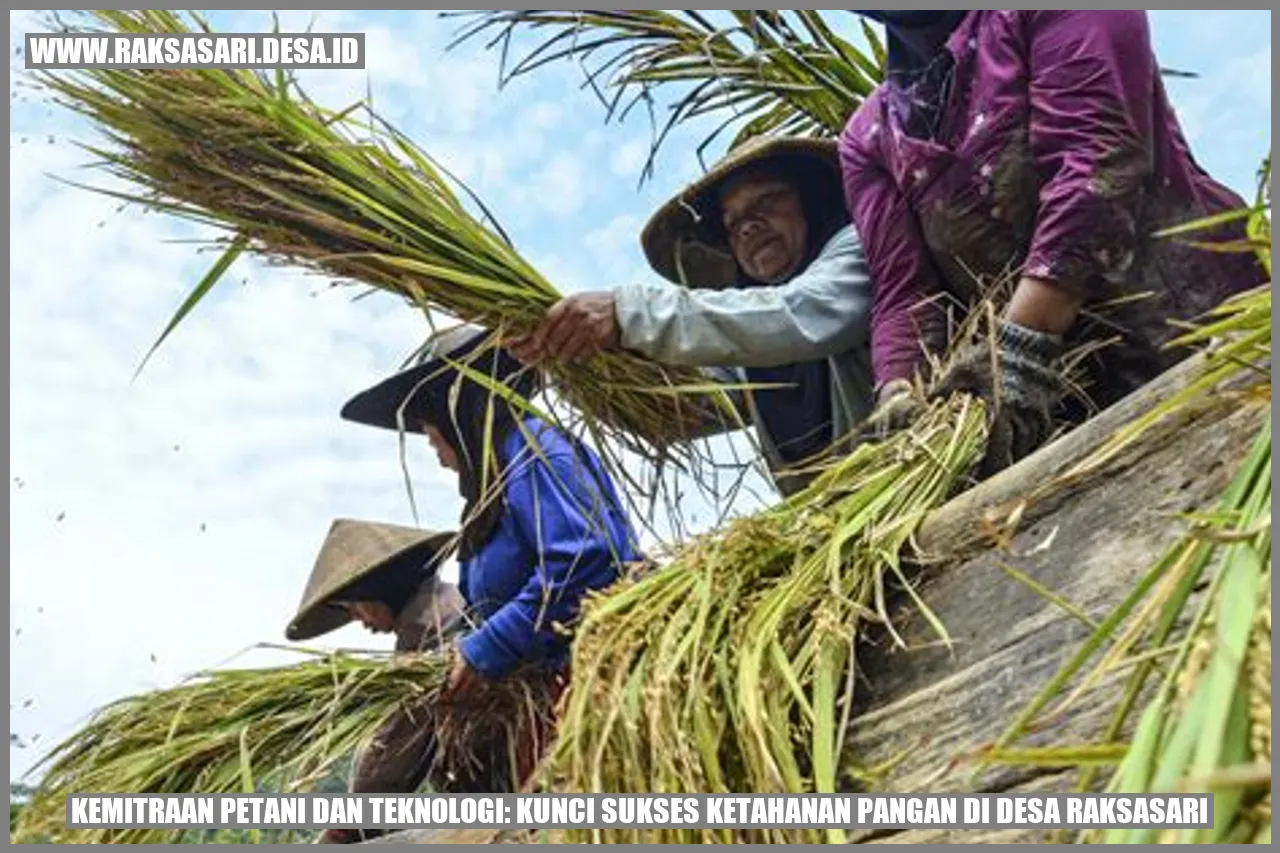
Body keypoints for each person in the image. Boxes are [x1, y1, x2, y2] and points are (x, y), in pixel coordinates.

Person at [841, 10, 1269, 477]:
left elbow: (1098, 165)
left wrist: (1020, 346)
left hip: (1202, 336)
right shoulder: (869, 138)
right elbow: (906, 291)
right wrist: (900, 392)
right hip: (1067, 415)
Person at [307, 326, 641, 842]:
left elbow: (587, 560)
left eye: (430, 430)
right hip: (536, 717)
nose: (435, 449)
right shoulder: (497, 489)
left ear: (458, 412)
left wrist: (488, 646)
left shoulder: (536, 451)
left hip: (588, 701)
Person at [509, 137, 877, 496]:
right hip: (837, 526)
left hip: (901, 470)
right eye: (733, 224)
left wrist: (628, 313)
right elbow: (685, 409)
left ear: (811, 197)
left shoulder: (858, 248)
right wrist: (574, 361)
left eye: (766, 200)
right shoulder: (751, 362)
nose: (748, 226)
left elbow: (796, 314)